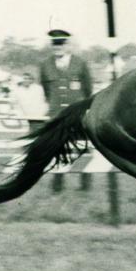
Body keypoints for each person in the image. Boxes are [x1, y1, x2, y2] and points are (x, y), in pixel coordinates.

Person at [39, 29, 93, 191]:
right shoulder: (45, 65)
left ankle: (85, 185)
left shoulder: (80, 63)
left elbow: (88, 89)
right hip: (56, 116)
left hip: (76, 115)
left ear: (68, 45)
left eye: (61, 43)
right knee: (56, 149)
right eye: (54, 44)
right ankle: (57, 186)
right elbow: (46, 91)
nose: (58, 47)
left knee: (82, 147)